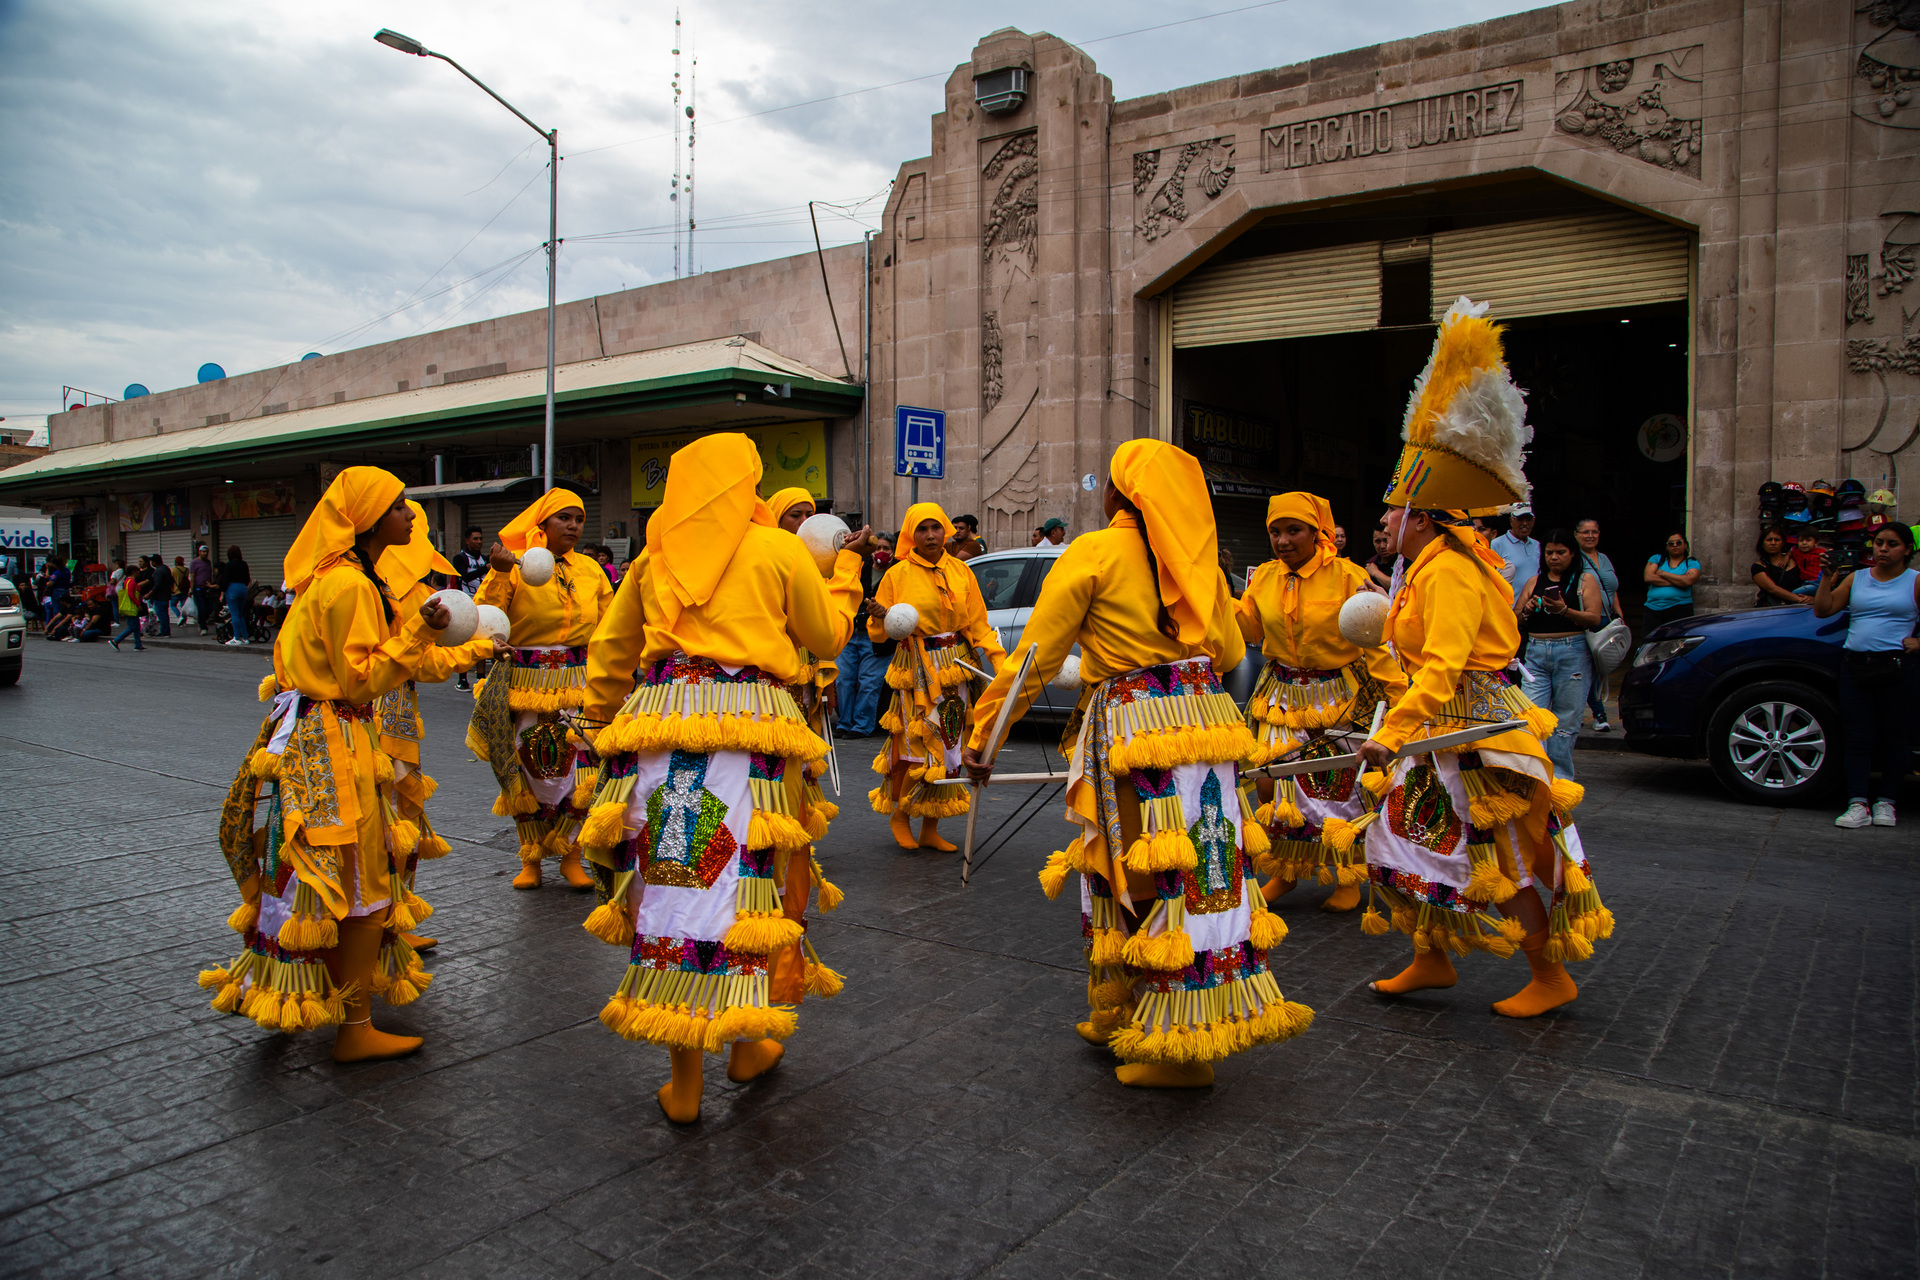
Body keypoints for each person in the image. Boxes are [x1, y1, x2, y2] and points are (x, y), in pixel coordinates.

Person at [963, 438, 1310, 1089]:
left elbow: (1034, 657)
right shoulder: (1196, 563)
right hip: (1205, 727)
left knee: (1145, 873)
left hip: (1138, 731)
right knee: (1189, 866)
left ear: (1115, 493)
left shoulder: (1094, 551)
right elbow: (1233, 649)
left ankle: (1182, 1045)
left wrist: (985, 736)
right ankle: (1120, 1005)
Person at [575, 433, 866, 1123]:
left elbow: (612, 651)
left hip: (662, 726)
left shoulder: (654, 557)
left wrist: (598, 720)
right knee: (752, 886)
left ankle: (685, 1082)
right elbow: (826, 639)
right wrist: (846, 576)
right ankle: (745, 1043)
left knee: (675, 883)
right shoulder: (776, 550)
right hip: (750, 731)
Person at [1356, 297, 1611, 1019]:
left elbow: (1441, 667)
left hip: (1475, 732)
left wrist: (1392, 730)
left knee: (1511, 855)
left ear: (1423, 516)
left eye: (1389, 515)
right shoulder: (1423, 567)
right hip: (1436, 728)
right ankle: (1430, 958)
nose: (1381, 525)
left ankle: (1550, 974)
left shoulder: (1452, 571)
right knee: (1408, 839)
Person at [196, 467, 451, 1063]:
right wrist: (417, 630)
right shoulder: (353, 588)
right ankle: (355, 1027)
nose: (411, 516)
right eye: (399, 506)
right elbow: (362, 682)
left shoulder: (334, 578)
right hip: (336, 740)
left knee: (314, 870)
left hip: (310, 735)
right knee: (362, 879)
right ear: (367, 520)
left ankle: (304, 995)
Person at [1237, 492, 1407, 913]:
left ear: (1318, 533)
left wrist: (1400, 697)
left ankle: (1345, 873)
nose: (1283, 540)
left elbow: (1374, 640)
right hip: (1279, 694)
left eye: (1293, 531)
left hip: (1338, 696)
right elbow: (1247, 627)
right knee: (1273, 785)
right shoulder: (1264, 578)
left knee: (1336, 788)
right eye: (1275, 532)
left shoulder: (1348, 577)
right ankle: (1286, 871)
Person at [467, 488, 614, 889]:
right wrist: (497, 572)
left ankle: (571, 855)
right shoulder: (513, 566)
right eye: (564, 518)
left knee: (581, 770)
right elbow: (487, 618)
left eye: (579, 519)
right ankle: (530, 858)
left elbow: (609, 625)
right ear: (543, 525)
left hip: (577, 680)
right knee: (523, 769)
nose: (573, 525)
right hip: (524, 683)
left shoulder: (590, 570)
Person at [375, 501, 495, 954]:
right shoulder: (369, 587)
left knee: (401, 820)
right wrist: (475, 651)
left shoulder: (410, 589)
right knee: (379, 822)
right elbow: (409, 661)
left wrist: (477, 649)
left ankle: (394, 918)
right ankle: (369, 925)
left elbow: (421, 664)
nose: (410, 523)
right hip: (361, 720)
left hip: (397, 718)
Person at [867, 502, 1006, 851]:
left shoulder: (961, 571)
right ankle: (900, 815)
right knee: (913, 745)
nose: (930, 535)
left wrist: (1001, 665)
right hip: (915, 667)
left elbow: (978, 623)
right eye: (922, 529)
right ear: (911, 536)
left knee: (949, 746)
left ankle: (931, 824)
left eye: (936, 528)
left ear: (946, 530)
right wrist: (883, 618)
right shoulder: (897, 575)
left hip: (956, 666)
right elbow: (878, 633)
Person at [1814, 522, 1918, 829]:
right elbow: (1824, 610)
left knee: (1895, 738)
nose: (1883, 548)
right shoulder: (1857, 578)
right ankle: (1857, 803)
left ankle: (1887, 803)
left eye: (1892, 544)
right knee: (1859, 738)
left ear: (1907, 550)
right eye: (1878, 542)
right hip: (1856, 665)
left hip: (1897, 667)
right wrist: (1827, 578)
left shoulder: (1915, 581)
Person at [1514, 529, 1605, 777]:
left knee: (1566, 721)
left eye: (1560, 552)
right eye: (1549, 552)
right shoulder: (1534, 581)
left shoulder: (1584, 580)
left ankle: (1560, 781)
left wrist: (1564, 610)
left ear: (1572, 553)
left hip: (1572, 651)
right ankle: (1535, 776)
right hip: (1536, 651)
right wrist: (1528, 609)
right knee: (1532, 716)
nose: (1554, 557)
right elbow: (1515, 617)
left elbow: (1594, 617)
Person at [835, 533, 891, 739]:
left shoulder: (895, 572)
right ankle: (844, 722)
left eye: (886, 548)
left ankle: (862, 725)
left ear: (893, 552)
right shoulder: (861, 567)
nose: (881, 553)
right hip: (851, 633)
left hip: (876, 637)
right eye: (878, 548)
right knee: (843, 679)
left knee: (869, 682)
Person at [1572, 519, 1622, 731]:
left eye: (1594, 532)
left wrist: (1619, 615)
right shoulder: (1574, 558)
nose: (1590, 536)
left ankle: (1587, 711)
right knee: (1587, 668)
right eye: (1585, 532)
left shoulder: (1604, 558)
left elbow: (1612, 589)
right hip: (1587, 619)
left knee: (1602, 668)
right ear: (1576, 534)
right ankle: (1598, 713)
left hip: (1607, 620)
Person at [1642, 531, 1701, 632]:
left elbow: (1688, 581)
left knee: (1676, 642)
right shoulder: (1657, 559)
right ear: (1667, 546)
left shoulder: (1691, 563)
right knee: (1651, 642)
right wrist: (1679, 581)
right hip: (1653, 609)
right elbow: (1648, 577)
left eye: (1678, 543)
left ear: (1685, 545)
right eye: (1671, 544)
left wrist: (1663, 573)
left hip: (1679, 608)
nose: (1675, 546)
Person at [1751, 525, 1811, 607]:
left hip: (1798, 609)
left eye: (1777, 540)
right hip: (1771, 609)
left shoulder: (1795, 560)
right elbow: (1772, 589)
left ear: (1782, 543)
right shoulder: (1758, 567)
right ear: (1762, 544)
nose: (1773, 543)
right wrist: (1799, 599)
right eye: (1769, 540)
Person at [1490, 505, 1539, 605]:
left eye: (1528, 519)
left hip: (1534, 607)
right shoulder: (1497, 544)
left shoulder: (1537, 545)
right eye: (1520, 519)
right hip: (1509, 607)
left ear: (1533, 521)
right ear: (1511, 521)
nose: (1525, 523)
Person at [219, 546, 253, 645]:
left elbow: (225, 580)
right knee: (240, 614)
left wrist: (222, 593)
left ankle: (236, 638)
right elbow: (248, 579)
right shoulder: (244, 564)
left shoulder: (229, 565)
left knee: (234, 614)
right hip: (243, 589)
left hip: (232, 588)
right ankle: (245, 637)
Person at [109, 566, 146, 651]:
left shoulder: (127, 581)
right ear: (133, 572)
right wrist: (138, 604)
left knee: (136, 626)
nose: (138, 573)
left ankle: (138, 644)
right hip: (131, 607)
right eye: (137, 571)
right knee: (132, 626)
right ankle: (116, 641)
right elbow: (131, 594)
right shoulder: (131, 581)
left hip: (130, 606)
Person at [190, 546, 216, 636]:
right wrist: (191, 588)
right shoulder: (194, 562)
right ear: (199, 552)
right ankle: (203, 627)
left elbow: (210, 574)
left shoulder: (208, 562)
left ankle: (201, 620)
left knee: (209, 607)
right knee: (202, 608)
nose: (205, 553)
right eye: (203, 552)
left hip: (207, 588)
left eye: (206, 552)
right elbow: (192, 576)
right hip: (198, 588)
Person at [145, 554, 173, 638]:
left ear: (154, 562)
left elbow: (157, 584)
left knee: (161, 614)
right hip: (165, 595)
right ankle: (165, 631)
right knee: (164, 614)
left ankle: (165, 632)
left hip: (160, 596)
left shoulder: (159, 571)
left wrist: (149, 594)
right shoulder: (165, 568)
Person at [1366, 524, 1396, 592]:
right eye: (1378, 541)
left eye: (1385, 540)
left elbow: (1399, 587)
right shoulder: (1370, 564)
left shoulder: (1403, 561)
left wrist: (1376, 573)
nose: (1382, 546)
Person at [171, 556, 192, 625]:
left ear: (176, 562)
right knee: (183, 607)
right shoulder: (186, 570)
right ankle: (184, 621)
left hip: (175, 591)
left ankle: (179, 616)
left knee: (173, 605)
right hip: (184, 591)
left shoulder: (173, 570)